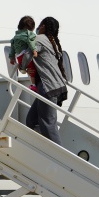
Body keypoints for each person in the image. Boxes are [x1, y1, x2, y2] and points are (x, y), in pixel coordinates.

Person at [25, 16, 68, 145]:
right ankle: (45, 149)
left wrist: (22, 67)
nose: (37, 28)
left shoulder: (39, 39)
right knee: (32, 121)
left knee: (48, 125)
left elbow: (29, 53)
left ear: (43, 26)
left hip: (48, 87)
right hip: (55, 87)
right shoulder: (51, 41)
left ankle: (60, 158)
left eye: (39, 25)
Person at [8, 15, 39, 91]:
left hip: (19, 56)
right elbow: (30, 42)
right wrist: (34, 50)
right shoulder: (29, 34)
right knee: (32, 70)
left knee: (28, 69)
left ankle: (23, 69)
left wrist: (12, 58)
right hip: (26, 55)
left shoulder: (15, 37)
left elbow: (12, 48)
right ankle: (33, 85)